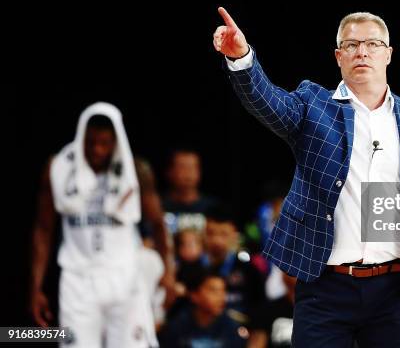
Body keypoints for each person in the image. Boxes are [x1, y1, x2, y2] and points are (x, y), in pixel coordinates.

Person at [213, 7, 400, 347]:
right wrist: (242, 59)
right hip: (325, 285)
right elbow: (269, 103)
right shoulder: (314, 105)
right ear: (339, 56)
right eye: (351, 44)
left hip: (394, 292)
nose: (362, 51)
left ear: (388, 53)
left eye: (372, 43)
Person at [30, 103, 174, 348]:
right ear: (80, 138)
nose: (97, 150)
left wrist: (168, 274)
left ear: (116, 141)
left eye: (105, 143)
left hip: (125, 276)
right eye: (90, 142)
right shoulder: (57, 168)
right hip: (78, 279)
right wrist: (36, 287)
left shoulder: (136, 170)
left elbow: (159, 225)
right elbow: (43, 230)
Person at [159, 267, 248, 347]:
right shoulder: (177, 326)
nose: (221, 298)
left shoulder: (231, 328)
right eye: (214, 291)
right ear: (194, 295)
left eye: (223, 291)